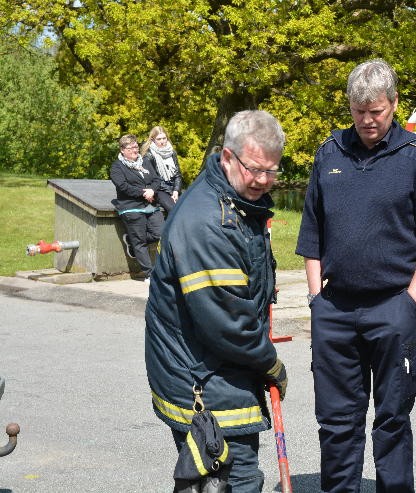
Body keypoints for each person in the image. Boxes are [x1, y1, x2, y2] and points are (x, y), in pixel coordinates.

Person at [296, 59, 416, 493]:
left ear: (394, 105)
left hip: (392, 308)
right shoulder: (330, 152)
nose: (367, 121)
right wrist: (316, 301)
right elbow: (311, 235)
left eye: (377, 112)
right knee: (336, 423)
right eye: (359, 111)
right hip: (335, 309)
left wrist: (409, 304)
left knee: (391, 421)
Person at [144, 110, 289, 492]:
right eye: (254, 168)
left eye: (271, 171)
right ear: (227, 157)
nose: (262, 180)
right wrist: (271, 365)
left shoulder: (235, 200)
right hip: (201, 379)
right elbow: (228, 323)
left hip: (216, 368)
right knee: (236, 481)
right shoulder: (207, 223)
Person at [110, 134, 164, 281]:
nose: (135, 149)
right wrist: (143, 193)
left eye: (136, 146)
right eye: (131, 147)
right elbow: (123, 186)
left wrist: (152, 190)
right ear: (122, 150)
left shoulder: (145, 162)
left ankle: (132, 240)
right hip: (131, 206)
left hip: (151, 204)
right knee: (139, 241)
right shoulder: (117, 166)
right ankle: (149, 274)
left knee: (161, 234)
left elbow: (156, 179)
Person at [141, 125, 183, 214]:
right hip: (159, 190)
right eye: (159, 139)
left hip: (173, 188)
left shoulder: (172, 152)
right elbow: (151, 179)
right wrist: (170, 192)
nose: (162, 141)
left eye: (164, 138)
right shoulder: (149, 156)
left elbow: (178, 174)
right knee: (175, 210)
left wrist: (176, 191)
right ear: (153, 140)